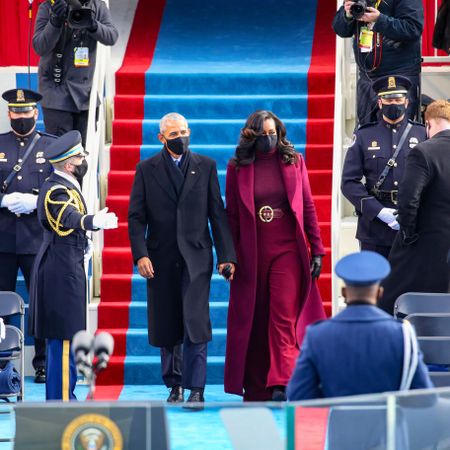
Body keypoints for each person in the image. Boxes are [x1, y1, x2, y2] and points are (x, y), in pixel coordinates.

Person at [128, 113, 236, 405]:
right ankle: (174, 384)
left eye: (184, 131)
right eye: (174, 134)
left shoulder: (206, 166)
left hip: (197, 257)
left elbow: (217, 213)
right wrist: (141, 255)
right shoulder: (146, 169)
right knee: (167, 322)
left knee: (196, 320)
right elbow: (136, 217)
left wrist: (227, 256)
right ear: (161, 138)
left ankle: (196, 388)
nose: (181, 138)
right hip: (160, 258)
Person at [224, 110, 326, 402]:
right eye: (263, 135)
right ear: (251, 136)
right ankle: (258, 386)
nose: (269, 139)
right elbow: (231, 216)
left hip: (288, 250)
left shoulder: (294, 161)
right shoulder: (237, 167)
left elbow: (307, 206)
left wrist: (317, 249)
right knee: (256, 319)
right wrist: (229, 256)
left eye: (273, 133)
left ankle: (283, 381)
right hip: (252, 253)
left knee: (283, 316)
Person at [28, 130, 118, 401]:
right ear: (69, 164)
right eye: (80, 157)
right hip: (60, 271)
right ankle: (62, 401)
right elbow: (67, 215)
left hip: (66, 266)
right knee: (64, 340)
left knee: (67, 338)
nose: (83, 160)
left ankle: (64, 397)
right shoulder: (56, 188)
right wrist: (91, 222)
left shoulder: (65, 183)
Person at [287, 251, 433, 401]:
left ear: (344, 293)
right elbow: (423, 397)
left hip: (340, 423)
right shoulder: (402, 333)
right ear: (379, 293)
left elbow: (298, 395)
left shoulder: (317, 335)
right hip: (388, 423)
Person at [0, 88, 56, 383]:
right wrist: (3, 200)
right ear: (9, 113)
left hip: (37, 239)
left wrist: (37, 201)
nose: (21, 116)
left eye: (26, 112)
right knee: (1, 303)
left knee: (41, 302)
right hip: (3, 240)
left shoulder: (51, 146)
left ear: (36, 113)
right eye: (16, 112)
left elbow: (63, 186)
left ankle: (43, 362)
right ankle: (2, 362)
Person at [341, 75, 427, 259]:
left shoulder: (422, 134)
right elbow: (349, 182)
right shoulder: (364, 135)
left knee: (409, 285)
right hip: (375, 228)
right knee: (375, 285)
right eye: (388, 99)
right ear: (380, 103)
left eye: (397, 99)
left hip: (414, 224)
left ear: (406, 102)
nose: (393, 103)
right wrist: (378, 211)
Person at [379, 100, 450, 314]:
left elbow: (408, 200)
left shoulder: (423, 152)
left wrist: (408, 235)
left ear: (427, 124)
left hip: (425, 245)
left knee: (391, 302)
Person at [32, 0, 118, 146]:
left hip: (85, 94)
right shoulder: (48, 6)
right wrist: (54, 22)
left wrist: (92, 24)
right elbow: (40, 47)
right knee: (59, 153)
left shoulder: (98, 6)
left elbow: (111, 37)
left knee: (81, 154)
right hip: (56, 92)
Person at [332, 0, 423, 125]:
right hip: (367, 77)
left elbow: (413, 28)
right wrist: (347, 15)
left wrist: (379, 19)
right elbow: (341, 30)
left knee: (399, 131)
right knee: (367, 130)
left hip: (399, 75)